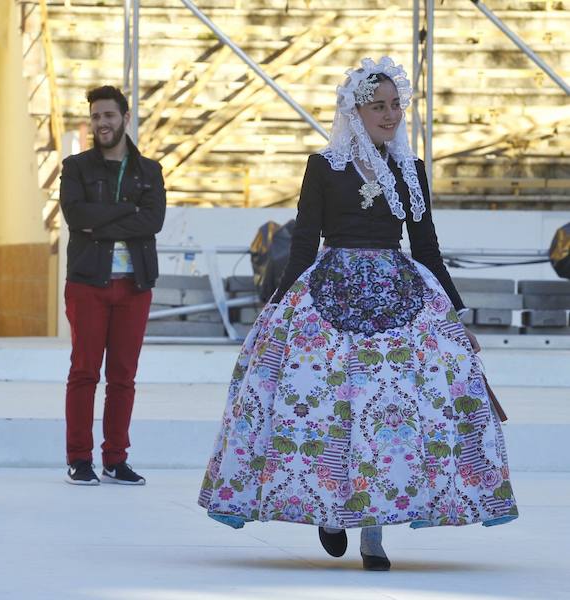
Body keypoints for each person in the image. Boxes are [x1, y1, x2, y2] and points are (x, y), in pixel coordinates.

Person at [197, 57, 518, 570]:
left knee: (392, 412)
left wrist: (456, 315)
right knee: (333, 404)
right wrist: (277, 308)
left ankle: (373, 531)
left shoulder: (410, 170)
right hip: (331, 294)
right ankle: (331, 508)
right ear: (356, 110)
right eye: (379, 106)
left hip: (401, 295)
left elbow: (428, 249)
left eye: (396, 105)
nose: (391, 115)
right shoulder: (325, 166)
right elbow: (303, 243)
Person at [59, 85, 166, 485]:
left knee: (123, 376)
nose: (101, 123)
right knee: (84, 372)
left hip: (134, 285)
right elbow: (75, 215)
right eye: (96, 116)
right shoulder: (76, 167)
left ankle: (116, 459)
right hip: (88, 283)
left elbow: (152, 222)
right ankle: (79, 458)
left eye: (108, 115)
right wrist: (127, 211)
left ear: (124, 118)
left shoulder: (149, 171)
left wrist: (100, 221)